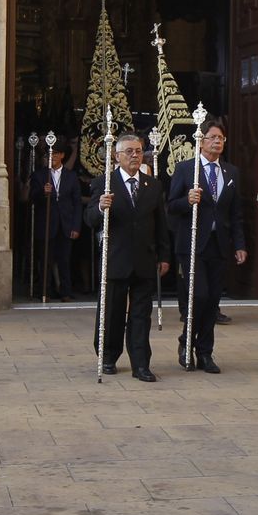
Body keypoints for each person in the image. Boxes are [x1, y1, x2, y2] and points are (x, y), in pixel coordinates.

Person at [88, 133, 171, 381]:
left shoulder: (152, 185)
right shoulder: (104, 183)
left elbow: (160, 224)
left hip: (144, 259)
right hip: (115, 258)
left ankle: (141, 364)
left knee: (140, 314)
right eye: (129, 151)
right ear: (117, 156)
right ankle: (108, 356)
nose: (135, 155)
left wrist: (164, 255)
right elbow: (90, 220)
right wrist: (100, 207)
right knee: (112, 311)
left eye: (138, 151)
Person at [168, 116, 247, 373]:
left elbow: (236, 213)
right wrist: (186, 200)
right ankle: (186, 342)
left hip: (219, 244)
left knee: (213, 300)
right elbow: (170, 206)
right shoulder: (185, 169)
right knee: (198, 295)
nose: (217, 142)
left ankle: (205, 352)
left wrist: (240, 244)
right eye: (212, 137)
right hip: (192, 243)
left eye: (221, 138)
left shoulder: (231, 172)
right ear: (200, 141)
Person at [25, 138, 82, 300]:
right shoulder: (40, 175)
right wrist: (44, 193)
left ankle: (66, 292)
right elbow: (33, 198)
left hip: (65, 224)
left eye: (55, 154)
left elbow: (77, 203)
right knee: (46, 260)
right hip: (47, 224)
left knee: (64, 260)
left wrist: (76, 227)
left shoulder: (71, 176)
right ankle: (45, 291)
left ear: (62, 155)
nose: (52, 157)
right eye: (49, 154)